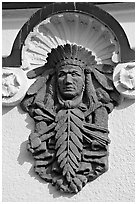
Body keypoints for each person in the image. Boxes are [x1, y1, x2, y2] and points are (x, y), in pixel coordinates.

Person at [21, 44, 120, 193]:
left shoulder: (98, 110)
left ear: (86, 79)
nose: (68, 81)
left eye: (74, 74)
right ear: (54, 81)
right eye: (62, 75)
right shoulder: (43, 112)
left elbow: (99, 145)